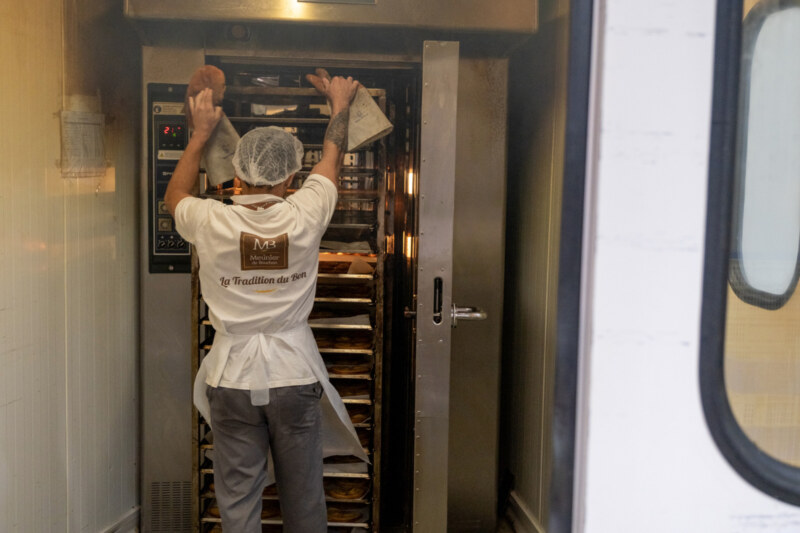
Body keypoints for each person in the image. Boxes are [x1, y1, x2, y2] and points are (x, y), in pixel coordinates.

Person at [165, 75, 367, 533]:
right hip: (292, 375)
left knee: (237, 499)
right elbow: (332, 156)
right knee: (304, 498)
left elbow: (174, 196)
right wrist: (340, 103)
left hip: (230, 378)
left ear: (236, 175)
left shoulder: (210, 219)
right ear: (293, 178)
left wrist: (199, 135)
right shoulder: (306, 213)